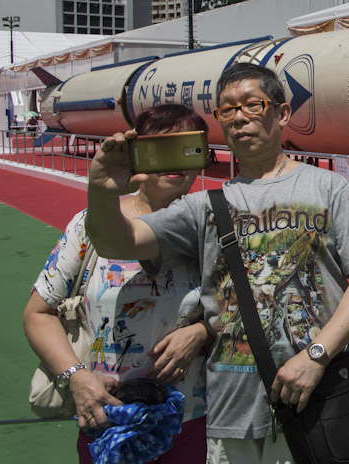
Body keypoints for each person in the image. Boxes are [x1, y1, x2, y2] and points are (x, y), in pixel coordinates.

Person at [83, 62, 349, 463]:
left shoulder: (329, 188)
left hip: (318, 398)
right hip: (232, 413)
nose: (239, 117)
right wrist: (101, 190)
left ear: (281, 114)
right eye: (227, 110)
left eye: (252, 104)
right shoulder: (202, 207)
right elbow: (116, 241)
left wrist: (317, 355)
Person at [23, 104, 212, 463]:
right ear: (138, 152)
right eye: (161, 147)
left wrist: (202, 331)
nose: (174, 160)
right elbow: (38, 313)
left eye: (186, 147)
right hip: (105, 417)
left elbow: (240, 308)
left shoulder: (213, 227)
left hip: (191, 421)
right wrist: (77, 379)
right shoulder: (88, 226)